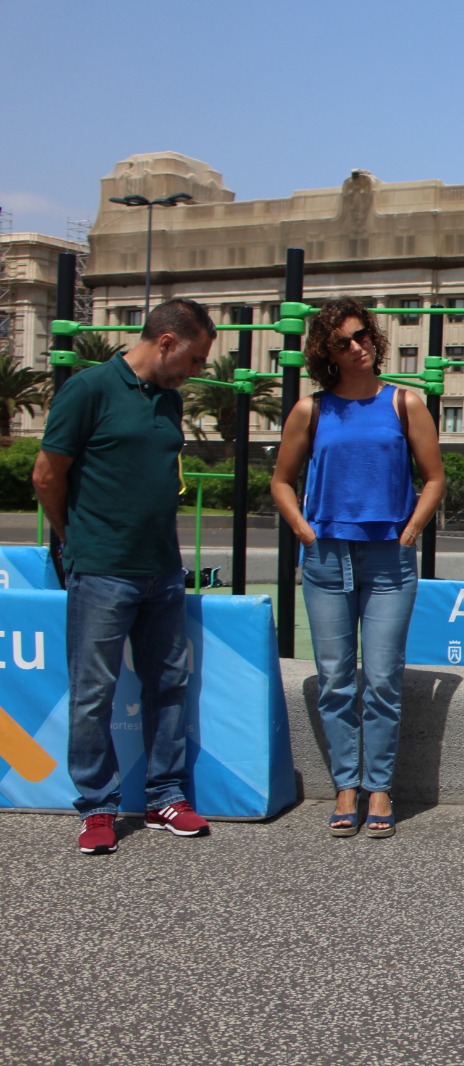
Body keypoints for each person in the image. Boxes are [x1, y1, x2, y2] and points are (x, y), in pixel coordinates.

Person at [32, 299, 217, 855]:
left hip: (162, 569)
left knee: (168, 685)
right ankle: (96, 807)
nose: (197, 370)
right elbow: (47, 476)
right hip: (102, 570)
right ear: (165, 342)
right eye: (195, 358)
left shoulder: (169, 400)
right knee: (95, 692)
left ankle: (164, 797)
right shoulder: (88, 390)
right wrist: (75, 541)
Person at [271, 298, 446, 839]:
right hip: (326, 556)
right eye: (345, 341)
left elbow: (434, 477)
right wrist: (303, 528)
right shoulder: (312, 409)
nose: (359, 346)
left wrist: (412, 528)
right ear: (327, 352)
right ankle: (346, 785)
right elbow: (280, 480)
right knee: (336, 679)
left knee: (384, 680)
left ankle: (380, 787)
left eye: (364, 335)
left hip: (389, 558)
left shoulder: (405, 402)